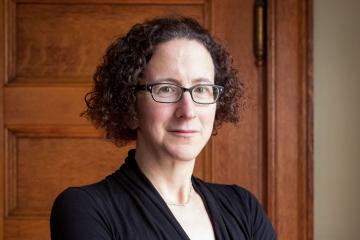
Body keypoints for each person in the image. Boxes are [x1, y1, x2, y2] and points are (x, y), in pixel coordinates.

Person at [50, 16, 276, 240]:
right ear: (130, 106)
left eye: (201, 89)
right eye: (166, 89)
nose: (188, 111)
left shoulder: (244, 209)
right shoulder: (85, 209)